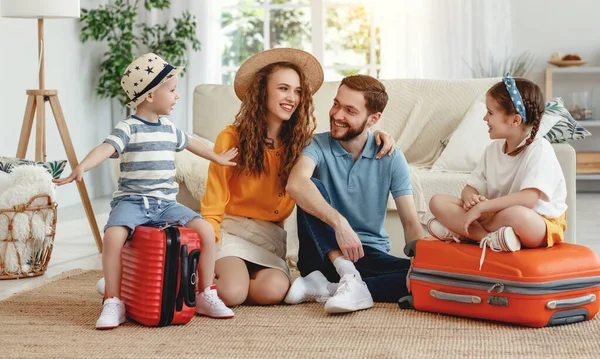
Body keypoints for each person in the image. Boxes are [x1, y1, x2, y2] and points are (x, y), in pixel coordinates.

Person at [55, 53, 238, 329]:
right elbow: (106, 148)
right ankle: (114, 300)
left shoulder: (169, 128)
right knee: (113, 238)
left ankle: (204, 293)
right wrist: (82, 166)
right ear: (150, 96)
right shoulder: (128, 127)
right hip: (132, 201)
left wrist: (217, 158)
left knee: (205, 232)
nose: (177, 96)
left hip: (166, 203)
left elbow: (192, 143)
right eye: (173, 90)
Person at [201, 48, 397, 307]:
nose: (291, 97)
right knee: (233, 293)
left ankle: (231, 274)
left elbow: (342, 142)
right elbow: (214, 199)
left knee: (273, 291)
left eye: (297, 91)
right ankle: (213, 276)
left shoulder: (300, 143)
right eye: (283, 88)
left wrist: (378, 135)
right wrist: (204, 244)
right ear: (263, 91)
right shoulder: (231, 137)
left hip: (271, 238)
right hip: (235, 229)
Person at [283, 74, 424, 314]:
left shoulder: (391, 156)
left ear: (373, 119)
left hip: (367, 255)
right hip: (321, 256)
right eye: (336, 104)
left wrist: (420, 265)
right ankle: (346, 276)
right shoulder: (315, 145)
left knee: (423, 275)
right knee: (311, 186)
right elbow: (295, 184)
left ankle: (330, 288)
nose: (337, 115)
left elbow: (410, 222)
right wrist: (341, 225)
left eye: (350, 110)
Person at [427, 73, 567, 270]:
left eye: (490, 113)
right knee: (437, 201)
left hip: (537, 225)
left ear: (515, 120)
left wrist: (482, 208)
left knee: (517, 214)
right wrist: (471, 199)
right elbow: (470, 187)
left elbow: (528, 199)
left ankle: (463, 232)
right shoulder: (492, 150)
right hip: (496, 219)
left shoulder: (540, 149)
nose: (485, 118)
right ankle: (487, 239)